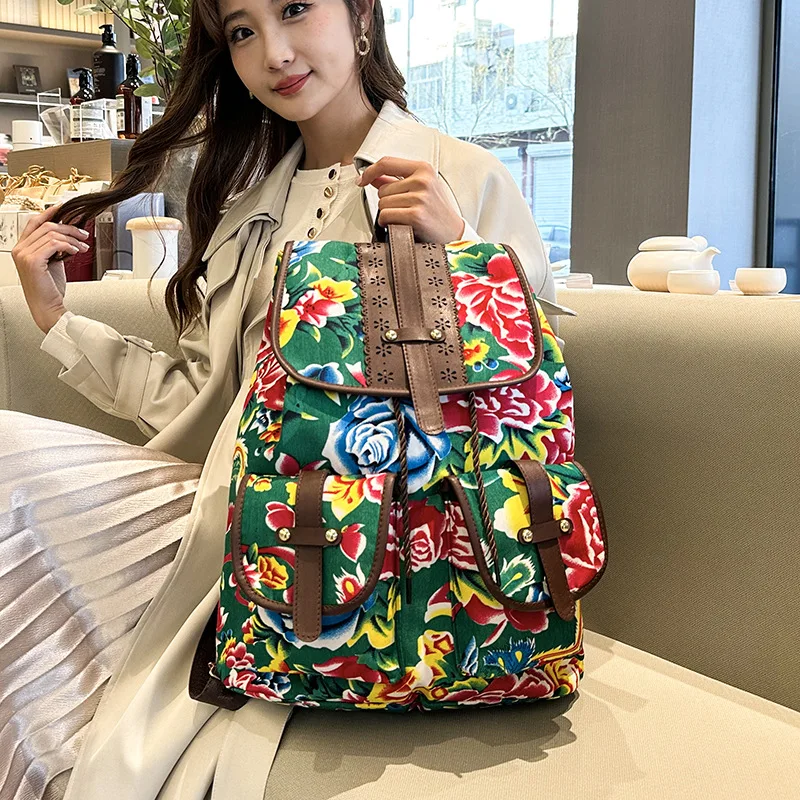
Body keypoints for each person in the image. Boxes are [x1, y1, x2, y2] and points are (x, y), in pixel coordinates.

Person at [2, 1, 569, 798]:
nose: (273, 51)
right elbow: (199, 401)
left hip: (392, 534)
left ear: (362, 15)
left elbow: (532, 399)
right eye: (242, 31)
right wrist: (56, 320)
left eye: (296, 8)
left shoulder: (459, 175)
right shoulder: (246, 210)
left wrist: (460, 254)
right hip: (230, 507)